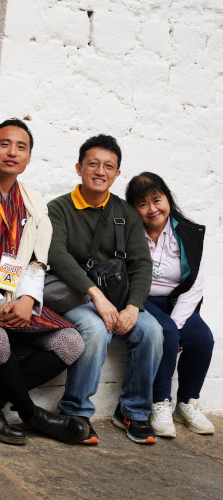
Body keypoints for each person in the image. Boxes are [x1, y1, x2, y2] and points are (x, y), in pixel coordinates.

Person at [0, 118, 88, 446]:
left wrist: (25, 301)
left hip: (15, 295)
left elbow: (36, 261)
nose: (12, 152)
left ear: (28, 158)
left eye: (21, 147)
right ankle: (31, 413)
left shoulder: (33, 205)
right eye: (5, 144)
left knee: (71, 342)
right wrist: (0, 305)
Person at [47, 134, 163, 445]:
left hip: (118, 299)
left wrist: (133, 307)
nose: (100, 171)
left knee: (151, 331)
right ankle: (76, 412)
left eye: (108, 166)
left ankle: (134, 411)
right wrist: (95, 295)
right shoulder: (58, 208)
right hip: (77, 295)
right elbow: (56, 255)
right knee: (96, 329)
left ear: (117, 174)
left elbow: (141, 264)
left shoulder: (125, 212)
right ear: (79, 167)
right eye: (93, 164)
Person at [125, 172, 214, 437]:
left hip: (177, 300)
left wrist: (176, 322)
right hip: (141, 298)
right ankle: (159, 402)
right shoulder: (129, 234)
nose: (152, 209)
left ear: (168, 199)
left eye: (157, 200)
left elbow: (195, 284)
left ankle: (187, 402)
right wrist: (171, 329)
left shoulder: (187, 232)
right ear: (134, 209)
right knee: (165, 332)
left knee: (202, 339)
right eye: (143, 204)